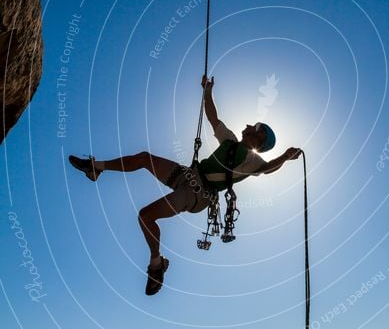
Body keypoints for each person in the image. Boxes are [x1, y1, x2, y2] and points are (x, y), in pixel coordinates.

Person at [69, 75, 301, 296]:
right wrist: (207, 91)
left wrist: (284, 157)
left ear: (259, 138)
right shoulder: (230, 140)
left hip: (197, 194)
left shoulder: (252, 161)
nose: (250, 124)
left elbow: (267, 168)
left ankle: (156, 263)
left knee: (145, 217)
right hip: (189, 175)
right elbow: (212, 116)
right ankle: (96, 167)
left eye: (256, 126)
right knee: (143, 158)